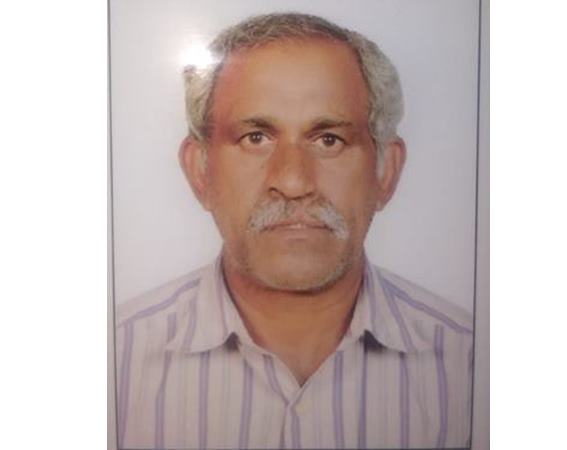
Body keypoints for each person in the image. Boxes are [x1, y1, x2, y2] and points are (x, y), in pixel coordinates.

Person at [115, 12, 473, 449]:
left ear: (386, 171)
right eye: (255, 138)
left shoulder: (473, 365)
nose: (293, 181)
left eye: (329, 140)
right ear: (200, 171)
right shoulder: (115, 361)